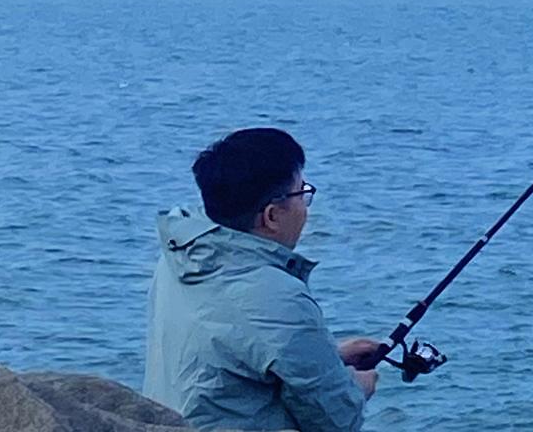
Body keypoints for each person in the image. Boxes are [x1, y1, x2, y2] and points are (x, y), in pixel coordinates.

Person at [143, 127, 379, 431]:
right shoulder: (276, 295)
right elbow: (336, 420)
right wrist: (357, 387)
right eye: (302, 193)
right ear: (271, 216)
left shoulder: (181, 255)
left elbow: (232, 348)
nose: (306, 207)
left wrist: (328, 358)